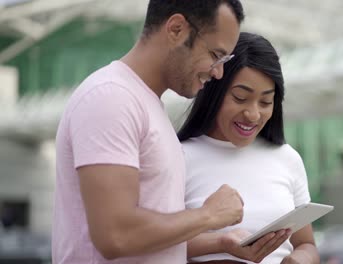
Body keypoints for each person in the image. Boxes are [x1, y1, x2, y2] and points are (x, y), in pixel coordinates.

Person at [51, 1, 267, 263]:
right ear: (176, 29)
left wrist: (222, 242)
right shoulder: (111, 98)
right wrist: (208, 215)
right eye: (215, 55)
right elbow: (116, 234)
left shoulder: (145, 104)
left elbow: (151, 237)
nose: (219, 72)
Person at [178, 32, 321, 264]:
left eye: (266, 102)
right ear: (213, 93)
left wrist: (298, 261)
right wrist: (221, 244)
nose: (253, 114)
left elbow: (306, 244)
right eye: (240, 97)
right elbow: (154, 244)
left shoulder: (286, 158)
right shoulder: (178, 157)